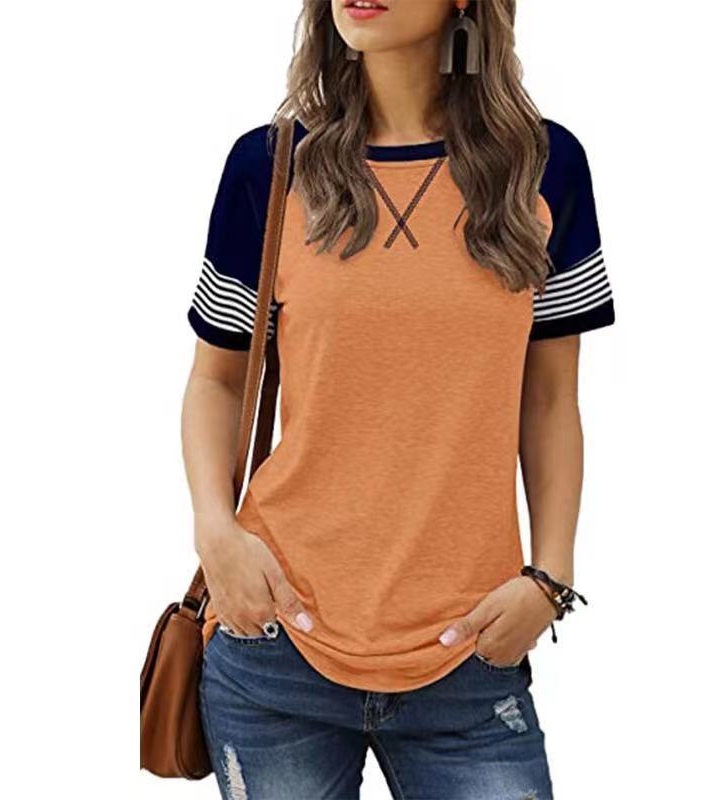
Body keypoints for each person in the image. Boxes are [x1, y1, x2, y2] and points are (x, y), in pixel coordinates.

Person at [181, 1, 614, 797]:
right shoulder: (269, 168)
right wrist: (216, 532)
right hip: (276, 643)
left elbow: (551, 401)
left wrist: (549, 578)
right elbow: (218, 379)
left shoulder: (544, 167)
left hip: (470, 652)